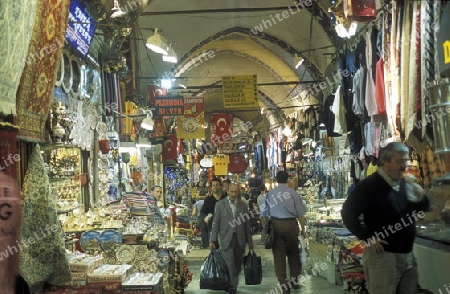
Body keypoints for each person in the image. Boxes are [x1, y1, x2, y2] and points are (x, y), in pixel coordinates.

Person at [341, 142, 430, 294]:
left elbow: (418, 210)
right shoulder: (369, 185)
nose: (404, 165)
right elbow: (348, 213)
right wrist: (367, 238)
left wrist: (421, 197)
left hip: (408, 255)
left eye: (406, 160)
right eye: (399, 161)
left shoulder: (405, 183)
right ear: (385, 162)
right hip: (383, 258)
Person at [261, 170, 307, 294]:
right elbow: (300, 214)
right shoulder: (293, 193)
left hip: (276, 226)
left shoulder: (270, 194)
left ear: (276, 180)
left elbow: (263, 214)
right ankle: (295, 281)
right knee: (293, 253)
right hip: (292, 225)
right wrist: (303, 229)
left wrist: (266, 228)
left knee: (279, 256)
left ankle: (284, 285)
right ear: (287, 179)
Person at [210, 183, 253, 294]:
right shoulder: (220, 205)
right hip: (226, 238)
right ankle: (232, 285)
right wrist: (212, 239)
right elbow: (215, 223)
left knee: (238, 264)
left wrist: (250, 240)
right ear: (227, 191)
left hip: (240, 239)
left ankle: (233, 281)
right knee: (230, 263)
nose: (234, 194)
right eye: (232, 192)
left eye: (235, 192)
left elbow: (247, 224)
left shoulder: (243, 205)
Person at [200, 178, 227, 246]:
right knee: (214, 250)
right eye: (213, 185)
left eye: (217, 185)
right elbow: (203, 211)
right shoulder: (208, 200)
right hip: (212, 228)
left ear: (221, 186)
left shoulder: (226, 198)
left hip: (225, 228)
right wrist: (205, 217)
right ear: (211, 187)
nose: (215, 187)